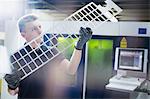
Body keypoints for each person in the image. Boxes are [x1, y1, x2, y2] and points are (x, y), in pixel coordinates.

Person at [4, 14, 92, 99]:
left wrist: (79, 46)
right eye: (34, 29)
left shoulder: (51, 52)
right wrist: (12, 85)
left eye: (40, 27)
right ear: (23, 34)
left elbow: (71, 70)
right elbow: (12, 92)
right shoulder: (16, 57)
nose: (40, 31)